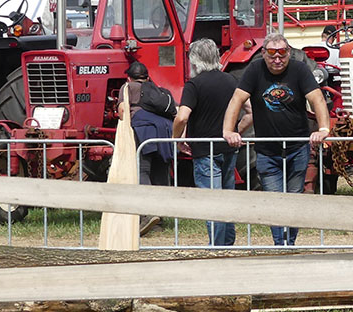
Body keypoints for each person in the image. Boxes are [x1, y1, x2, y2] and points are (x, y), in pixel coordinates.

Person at [222, 33, 331, 245]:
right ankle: (279, 243)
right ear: (263, 53)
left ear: (289, 53)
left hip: (297, 147)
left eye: (282, 53)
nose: (277, 59)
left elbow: (317, 99)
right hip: (266, 151)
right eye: (272, 54)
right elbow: (237, 99)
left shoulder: (299, 70)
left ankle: (289, 242)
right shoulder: (254, 70)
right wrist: (229, 130)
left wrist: (323, 128)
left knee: (293, 199)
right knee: (274, 201)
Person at [172, 39, 251, 245]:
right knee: (226, 198)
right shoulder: (232, 81)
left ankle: (216, 247)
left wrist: (176, 139)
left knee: (211, 202)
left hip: (205, 150)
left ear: (195, 62)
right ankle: (227, 242)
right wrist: (236, 131)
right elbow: (251, 112)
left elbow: (182, 117)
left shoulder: (194, 85)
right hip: (228, 148)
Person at [124, 61, 176, 235]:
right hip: (165, 130)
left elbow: (122, 110)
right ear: (147, 77)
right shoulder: (156, 88)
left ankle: (147, 215)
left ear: (129, 77)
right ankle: (160, 219)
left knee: (143, 171)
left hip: (144, 130)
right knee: (161, 170)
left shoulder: (128, 88)